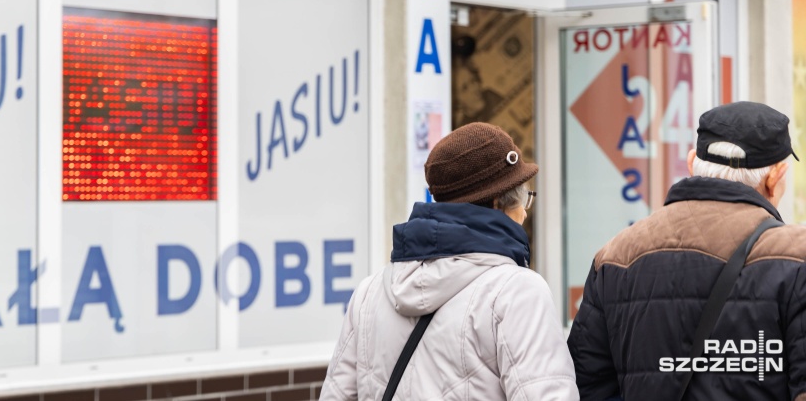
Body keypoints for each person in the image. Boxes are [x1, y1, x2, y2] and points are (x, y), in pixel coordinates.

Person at [320, 123, 579, 400]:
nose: (525, 214)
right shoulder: (517, 292)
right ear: (496, 204)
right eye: (522, 201)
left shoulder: (368, 294)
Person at [568, 101, 806, 400]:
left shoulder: (615, 256)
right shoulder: (797, 256)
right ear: (775, 177)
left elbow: (587, 386)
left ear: (692, 162)